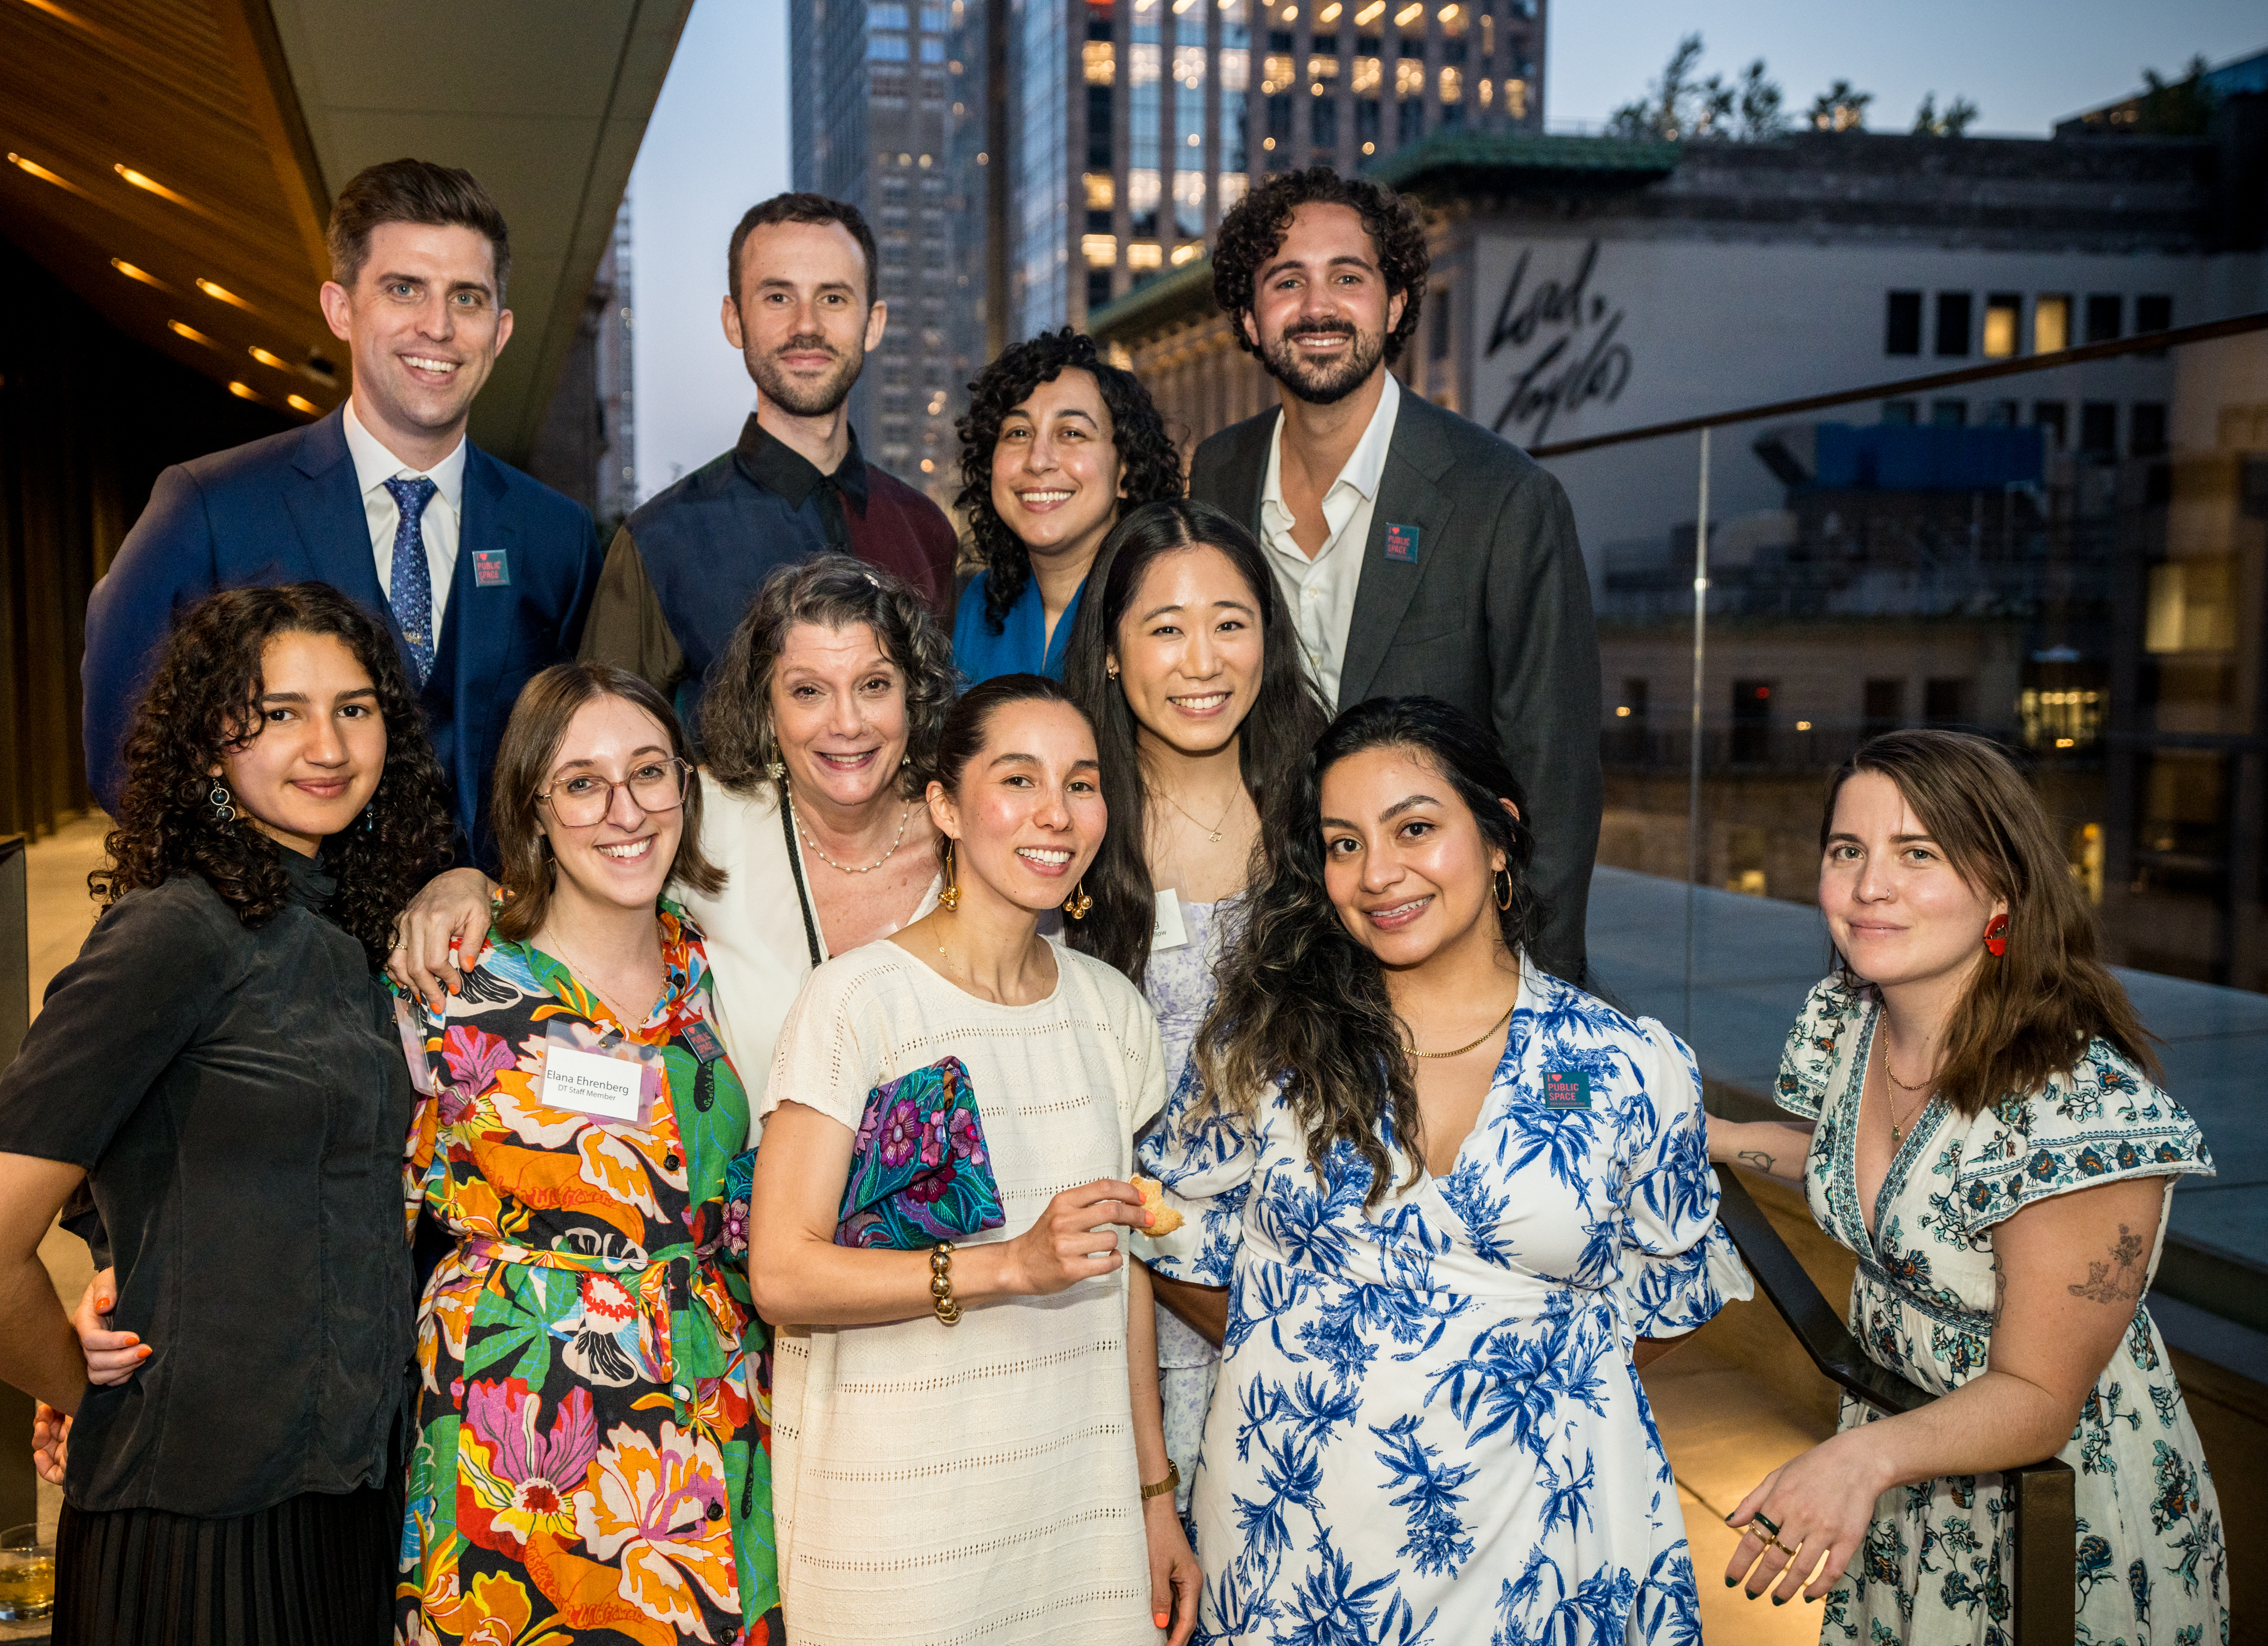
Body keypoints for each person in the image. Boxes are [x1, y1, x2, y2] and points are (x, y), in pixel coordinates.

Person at [1139, 695, 1749, 1644]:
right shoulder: (1263, 1048)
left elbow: (1674, 1294)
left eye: (1415, 828)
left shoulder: (1627, 1065)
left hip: (1547, 1548)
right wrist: (1331, 1350)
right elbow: (1172, 1236)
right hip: (1301, 1544)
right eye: (1343, 844)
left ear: (1499, 836)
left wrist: (1512, 1375)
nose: (1378, 874)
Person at [0, 584, 451, 1644]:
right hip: (198, 1533)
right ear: (208, 742)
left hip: (345, 1499)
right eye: (279, 711)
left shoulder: (346, 927)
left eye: (354, 707)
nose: (326, 743)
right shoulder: (174, 937)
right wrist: (90, 1392)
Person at [1705, 730, 2226, 1642]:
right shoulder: (1856, 1023)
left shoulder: (2078, 1111)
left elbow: (2035, 1395)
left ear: (2002, 888)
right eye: (1847, 851)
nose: (1870, 885)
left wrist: (1860, 1460)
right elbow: (1878, 1173)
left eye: (1920, 854)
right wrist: (1721, 1137)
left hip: (2051, 1502)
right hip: (1908, 1466)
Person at [747, 675, 1200, 1643]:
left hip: (1075, 1520)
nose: (1055, 812)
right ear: (946, 806)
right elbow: (781, 1273)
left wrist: (1154, 1494)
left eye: (1081, 784)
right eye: (1019, 778)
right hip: (900, 1531)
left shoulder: (1110, 1010)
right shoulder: (860, 1001)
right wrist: (1007, 1266)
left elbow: (1119, 1274)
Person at [82, 158, 641, 869]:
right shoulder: (209, 507)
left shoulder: (554, 536)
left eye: (466, 298)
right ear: (341, 309)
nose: (437, 326)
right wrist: (266, 873)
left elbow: (583, 752)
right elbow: (123, 756)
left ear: (499, 332)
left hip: (499, 955)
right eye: (404, 289)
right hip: (282, 955)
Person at [387, 662, 781, 1644]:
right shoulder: (452, 980)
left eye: (650, 773)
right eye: (583, 783)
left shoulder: (710, 968)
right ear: (533, 804)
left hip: (710, 1395)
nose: (624, 811)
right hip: (520, 1429)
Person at [1184, 166, 1601, 982]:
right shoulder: (1219, 475)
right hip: (1260, 940)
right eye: (1286, 281)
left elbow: (1555, 774)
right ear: (1248, 314)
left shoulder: (1505, 498)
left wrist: (1537, 991)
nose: (1317, 307)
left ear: (1397, 301)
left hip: (1436, 940)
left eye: (1349, 277)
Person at [388, 556, 957, 1114]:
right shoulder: (704, 815)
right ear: (766, 710)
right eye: (809, 691)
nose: (848, 722)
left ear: (914, 695)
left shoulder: (971, 840)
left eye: (874, 684)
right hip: (750, 1201)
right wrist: (466, 882)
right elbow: (585, 850)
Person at [1056, 497, 1328, 1519]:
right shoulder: (1070, 825)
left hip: (1325, 1286)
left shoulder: (1329, 803)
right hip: (1139, 1301)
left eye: (1230, 621)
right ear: (1115, 655)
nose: (1203, 660)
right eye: (1165, 628)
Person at [597, 193, 956, 720]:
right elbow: (604, 751)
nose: (806, 325)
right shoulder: (659, 543)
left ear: (873, 324)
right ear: (734, 320)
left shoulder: (926, 531)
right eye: (778, 298)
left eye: (833, 298)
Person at [950, 330, 1182, 686]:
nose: (1038, 461)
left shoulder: (1167, 603)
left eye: (1072, 433)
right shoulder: (981, 604)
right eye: (1018, 433)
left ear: (1126, 471)